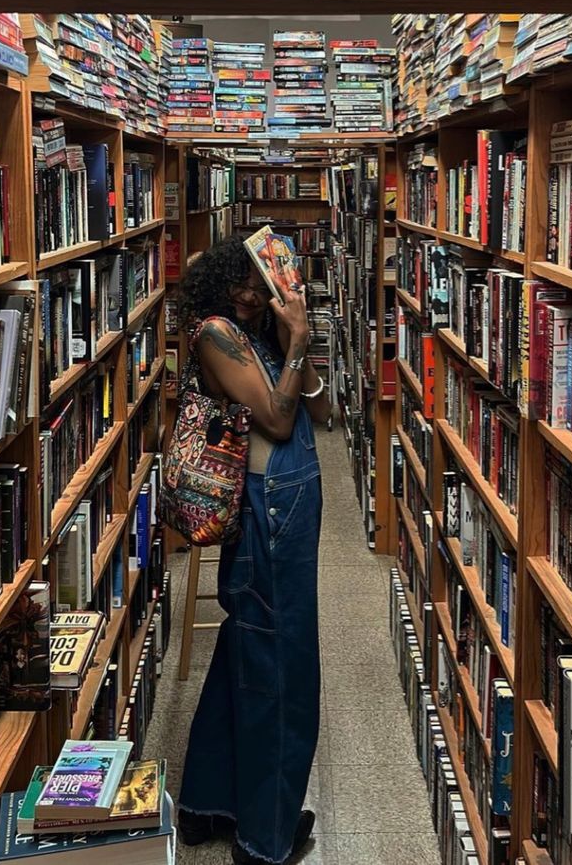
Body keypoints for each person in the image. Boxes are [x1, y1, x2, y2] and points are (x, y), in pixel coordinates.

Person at [176, 234, 332, 865]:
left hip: (282, 502)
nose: (247, 293)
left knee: (245, 652)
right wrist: (295, 339)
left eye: (259, 284)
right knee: (282, 667)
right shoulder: (216, 334)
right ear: (218, 280)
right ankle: (264, 839)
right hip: (270, 509)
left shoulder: (260, 332)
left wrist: (296, 327)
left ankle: (206, 804)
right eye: (239, 281)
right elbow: (276, 418)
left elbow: (318, 402)